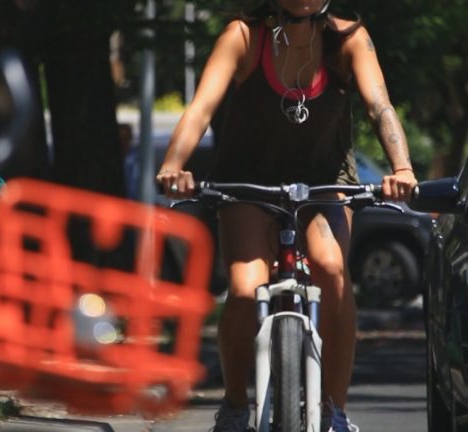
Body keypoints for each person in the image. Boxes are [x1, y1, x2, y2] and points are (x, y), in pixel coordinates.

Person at [156, 1, 417, 431]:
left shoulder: (350, 40)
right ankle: (236, 405)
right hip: (247, 184)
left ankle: (334, 410)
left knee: (331, 268)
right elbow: (201, 108)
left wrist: (402, 168)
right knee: (244, 288)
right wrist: (174, 164)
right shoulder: (242, 37)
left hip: (323, 183)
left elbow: (380, 107)